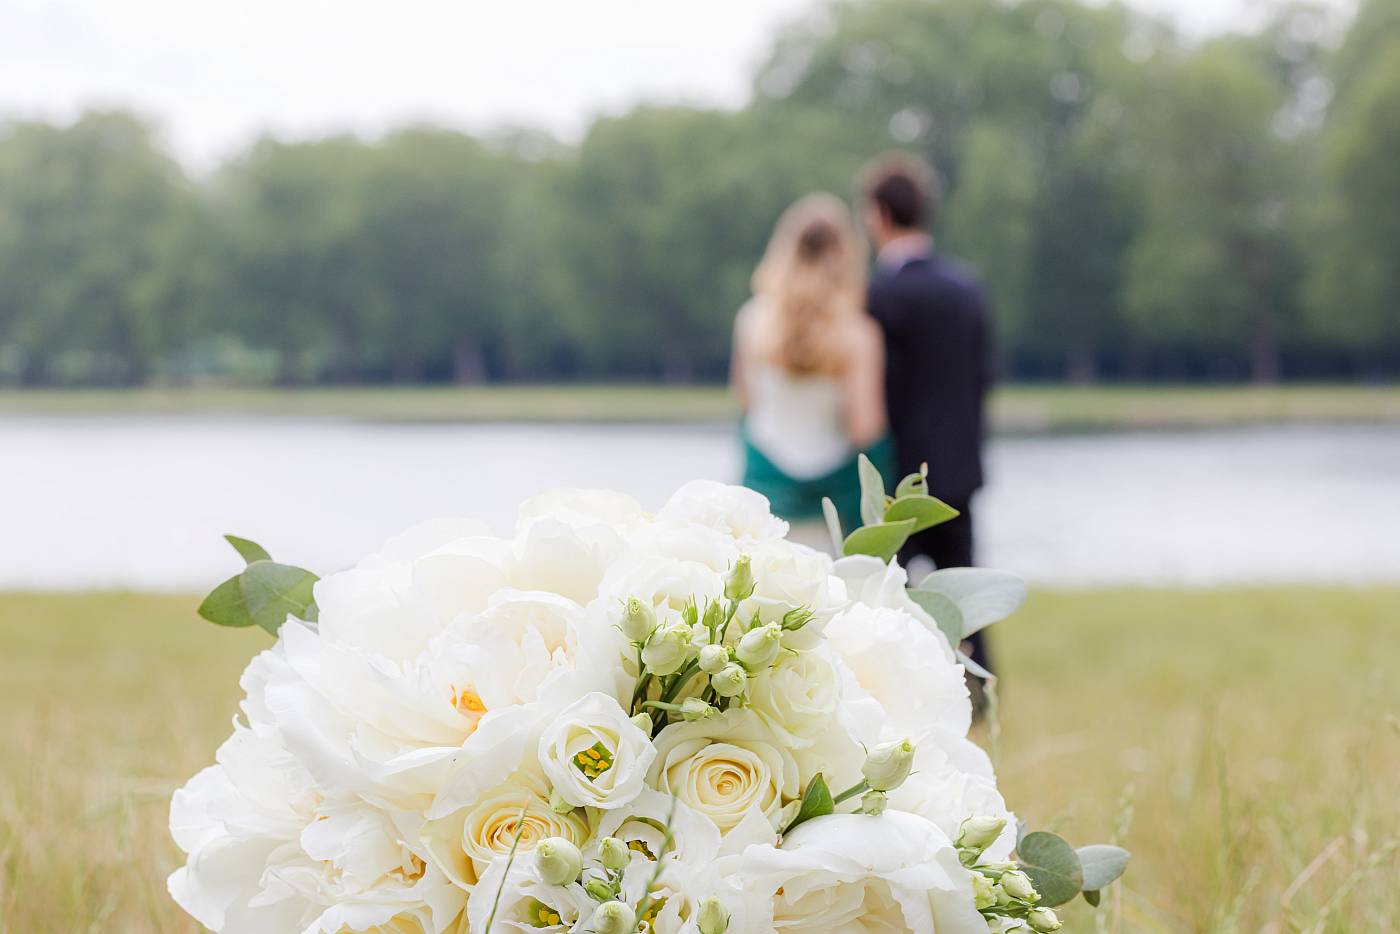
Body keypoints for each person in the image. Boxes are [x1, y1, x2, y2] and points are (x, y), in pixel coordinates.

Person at [859, 153, 994, 676]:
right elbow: (984, 376)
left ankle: (902, 684)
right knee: (967, 594)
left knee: (886, 589)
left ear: (878, 214)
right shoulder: (966, 288)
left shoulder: (882, 295)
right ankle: (978, 692)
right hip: (960, 464)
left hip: (900, 474)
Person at [732, 193, 892, 548]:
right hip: (833, 508)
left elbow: (745, 400)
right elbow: (866, 429)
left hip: (765, 497)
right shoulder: (859, 334)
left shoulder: (752, 319)